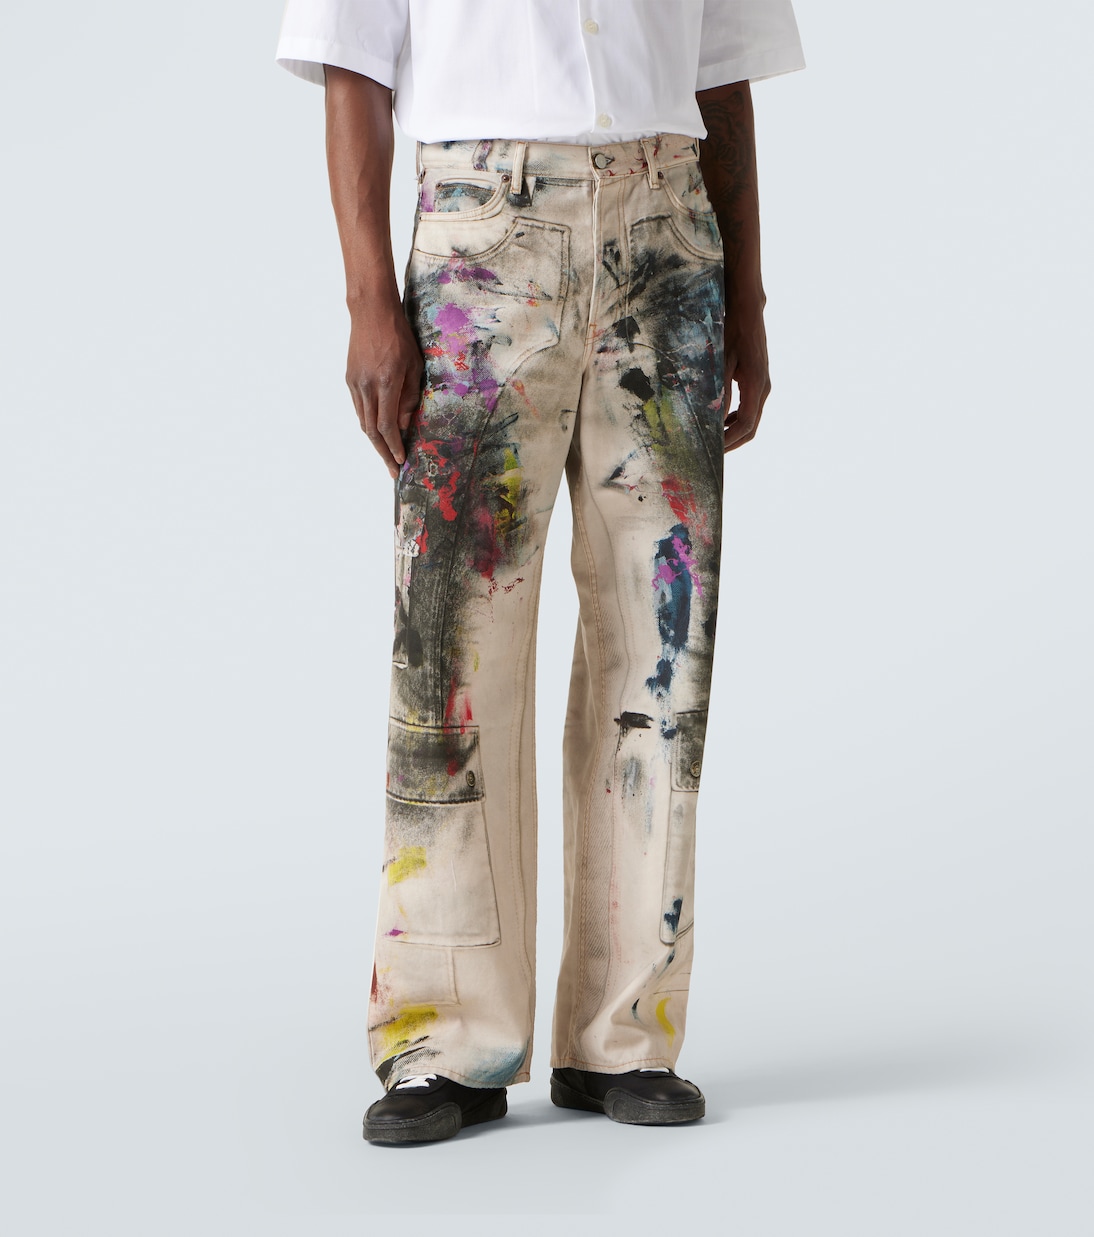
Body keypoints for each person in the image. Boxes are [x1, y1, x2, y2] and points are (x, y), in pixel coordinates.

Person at [275, 0, 804, 1145]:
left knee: (658, 648)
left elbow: (720, 73)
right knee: (452, 652)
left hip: (669, 235)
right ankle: (443, 1040)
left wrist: (747, 298)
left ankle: (624, 1035)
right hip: (481, 239)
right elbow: (349, 63)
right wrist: (368, 300)